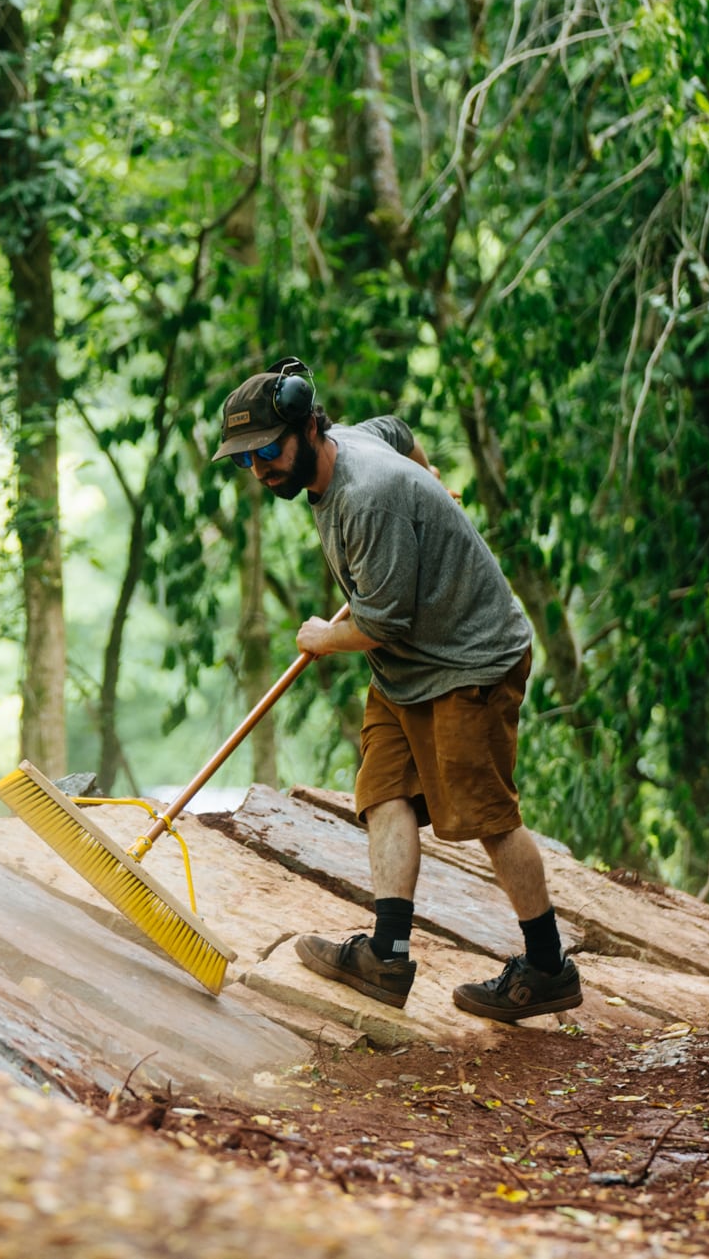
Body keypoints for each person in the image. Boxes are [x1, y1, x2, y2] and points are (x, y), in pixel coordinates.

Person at [210, 357, 581, 1022]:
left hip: (472, 659)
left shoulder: (367, 496)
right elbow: (401, 429)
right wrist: (431, 481)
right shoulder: (353, 443)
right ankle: (387, 954)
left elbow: (383, 622)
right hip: (410, 665)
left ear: (303, 428)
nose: (260, 470)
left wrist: (324, 636)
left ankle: (548, 966)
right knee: (383, 793)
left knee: (488, 816)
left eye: (267, 451)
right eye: (246, 461)